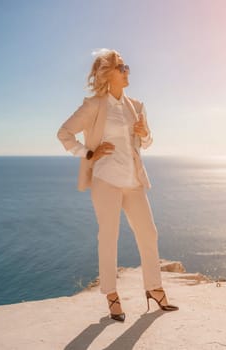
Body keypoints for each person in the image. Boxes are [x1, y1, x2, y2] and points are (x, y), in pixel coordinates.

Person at [56, 49, 178, 322]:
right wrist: (88, 153)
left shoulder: (136, 105)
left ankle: (154, 288)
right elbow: (64, 133)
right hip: (106, 180)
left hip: (133, 181)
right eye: (121, 67)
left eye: (126, 67)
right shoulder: (94, 105)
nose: (127, 71)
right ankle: (111, 295)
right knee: (108, 237)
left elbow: (145, 143)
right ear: (107, 73)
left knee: (149, 233)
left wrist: (145, 134)